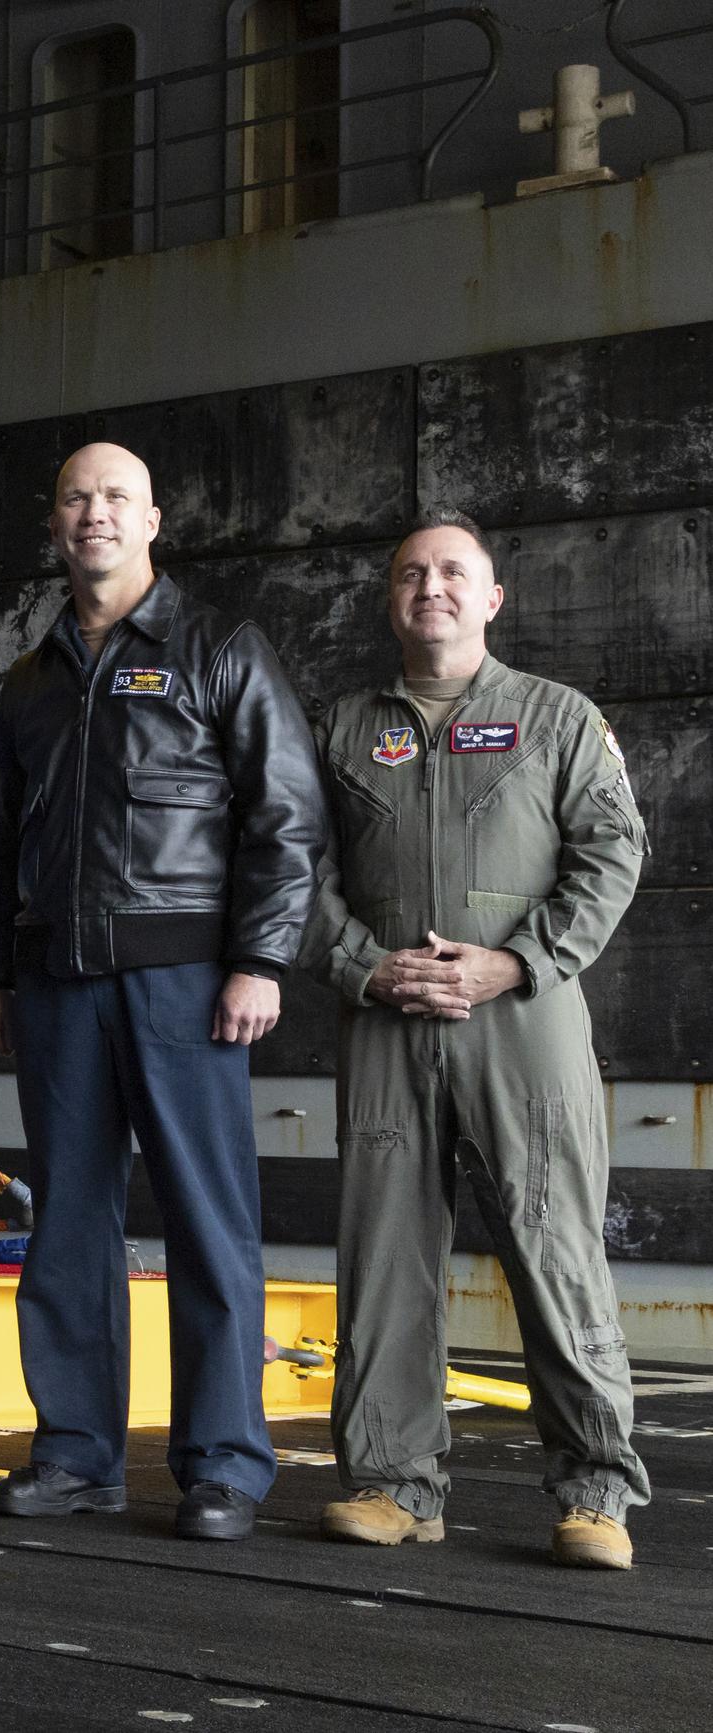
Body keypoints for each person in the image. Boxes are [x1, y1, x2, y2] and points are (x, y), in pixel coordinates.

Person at [0, 443, 324, 1541]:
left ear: (152, 519)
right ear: (55, 522)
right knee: (67, 1224)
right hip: (56, 982)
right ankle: (75, 1453)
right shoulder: (29, 680)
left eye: (115, 497)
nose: (95, 513)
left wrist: (260, 959)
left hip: (186, 980)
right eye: (76, 497)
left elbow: (286, 816)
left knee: (206, 1220)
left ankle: (223, 1463)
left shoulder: (219, 649)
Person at [302, 512, 649, 1569]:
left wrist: (516, 961)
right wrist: (362, 965)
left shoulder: (556, 717)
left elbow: (611, 853)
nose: (432, 586)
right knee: (383, 1253)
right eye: (411, 572)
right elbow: (294, 869)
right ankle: (393, 1483)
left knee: (553, 1244)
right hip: (385, 1014)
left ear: (491, 597)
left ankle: (595, 1492)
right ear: (389, 599)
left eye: (453, 571)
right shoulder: (341, 728)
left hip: (522, 1017)